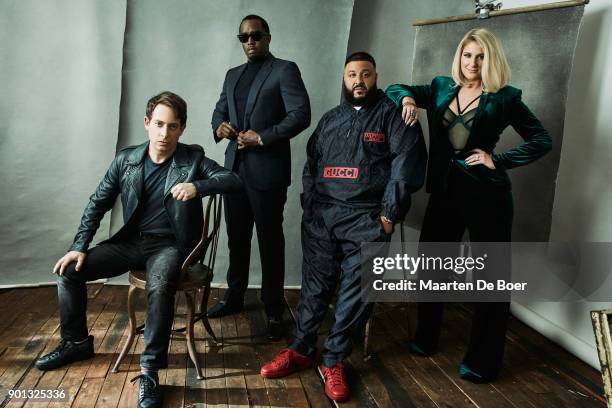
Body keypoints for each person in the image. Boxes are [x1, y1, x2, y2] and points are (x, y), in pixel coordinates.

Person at [34, 91, 243, 408]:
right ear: (147, 123)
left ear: (181, 129)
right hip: (132, 242)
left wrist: (197, 186)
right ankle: (76, 341)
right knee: (69, 271)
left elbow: (232, 180)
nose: (164, 133)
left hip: (172, 246)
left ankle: (149, 372)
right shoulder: (126, 160)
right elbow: (97, 204)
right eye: (159, 124)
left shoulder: (193, 160)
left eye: (172, 126)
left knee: (159, 287)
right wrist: (79, 247)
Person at [386, 28, 552, 383]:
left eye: (480, 56)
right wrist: (408, 101)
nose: (473, 63)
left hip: (487, 196)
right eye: (467, 55)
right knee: (431, 270)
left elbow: (542, 139)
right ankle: (426, 338)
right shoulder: (442, 86)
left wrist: (499, 160)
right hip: (444, 193)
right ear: (459, 57)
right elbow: (395, 87)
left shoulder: (505, 97)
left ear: (490, 60)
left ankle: (483, 361)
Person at [260, 52, 427, 402]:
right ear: (344, 78)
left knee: (356, 290)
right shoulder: (331, 119)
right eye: (352, 74)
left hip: (367, 218)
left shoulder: (394, 117)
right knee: (314, 287)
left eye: (365, 74)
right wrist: (310, 207)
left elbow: (405, 167)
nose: (359, 81)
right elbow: (311, 164)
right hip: (323, 218)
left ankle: (334, 359)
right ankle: (302, 349)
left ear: (376, 75)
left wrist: (387, 215)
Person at [209, 14, 311, 340]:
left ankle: (273, 309)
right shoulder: (232, 75)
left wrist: (262, 137)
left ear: (267, 37)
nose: (250, 42)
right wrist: (219, 126)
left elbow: (301, 115)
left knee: (269, 242)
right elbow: (219, 110)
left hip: (267, 172)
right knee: (237, 239)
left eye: (255, 36)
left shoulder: (284, 69)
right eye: (244, 38)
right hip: (234, 171)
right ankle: (235, 297)